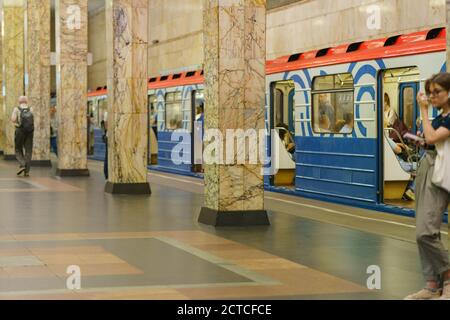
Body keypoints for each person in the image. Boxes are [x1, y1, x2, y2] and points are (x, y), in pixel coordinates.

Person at [404, 73, 450, 300]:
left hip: (441, 173)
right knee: (420, 230)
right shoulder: (441, 116)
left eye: (437, 92)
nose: (432, 96)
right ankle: (432, 284)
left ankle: (449, 279)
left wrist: (423, 111)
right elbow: (430, 139)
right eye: (430, 92)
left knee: (427, 232)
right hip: (427, 168)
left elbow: (433, 138)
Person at [11, 96, 34, 177]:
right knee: (28, 150)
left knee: (18, 148)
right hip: (29, 131)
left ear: (19, 101)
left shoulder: (16, 109)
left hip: (19, 131)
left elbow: (13, 119)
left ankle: (22, 164)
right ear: (26, 101)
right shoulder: (31, 109)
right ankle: (27, 171)